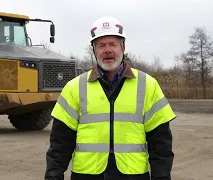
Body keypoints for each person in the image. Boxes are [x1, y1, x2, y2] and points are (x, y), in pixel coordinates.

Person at [45, 16, 176, 180]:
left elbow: (161, 143)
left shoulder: (148, 85)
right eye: (101, 45)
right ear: (94, 51)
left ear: (123, 47)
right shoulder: (74, 88)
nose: (107, 50)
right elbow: (60, 143)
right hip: (87, 175)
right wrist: (53, 176)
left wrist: (161, 177)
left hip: (133, 176)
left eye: (113, 44)